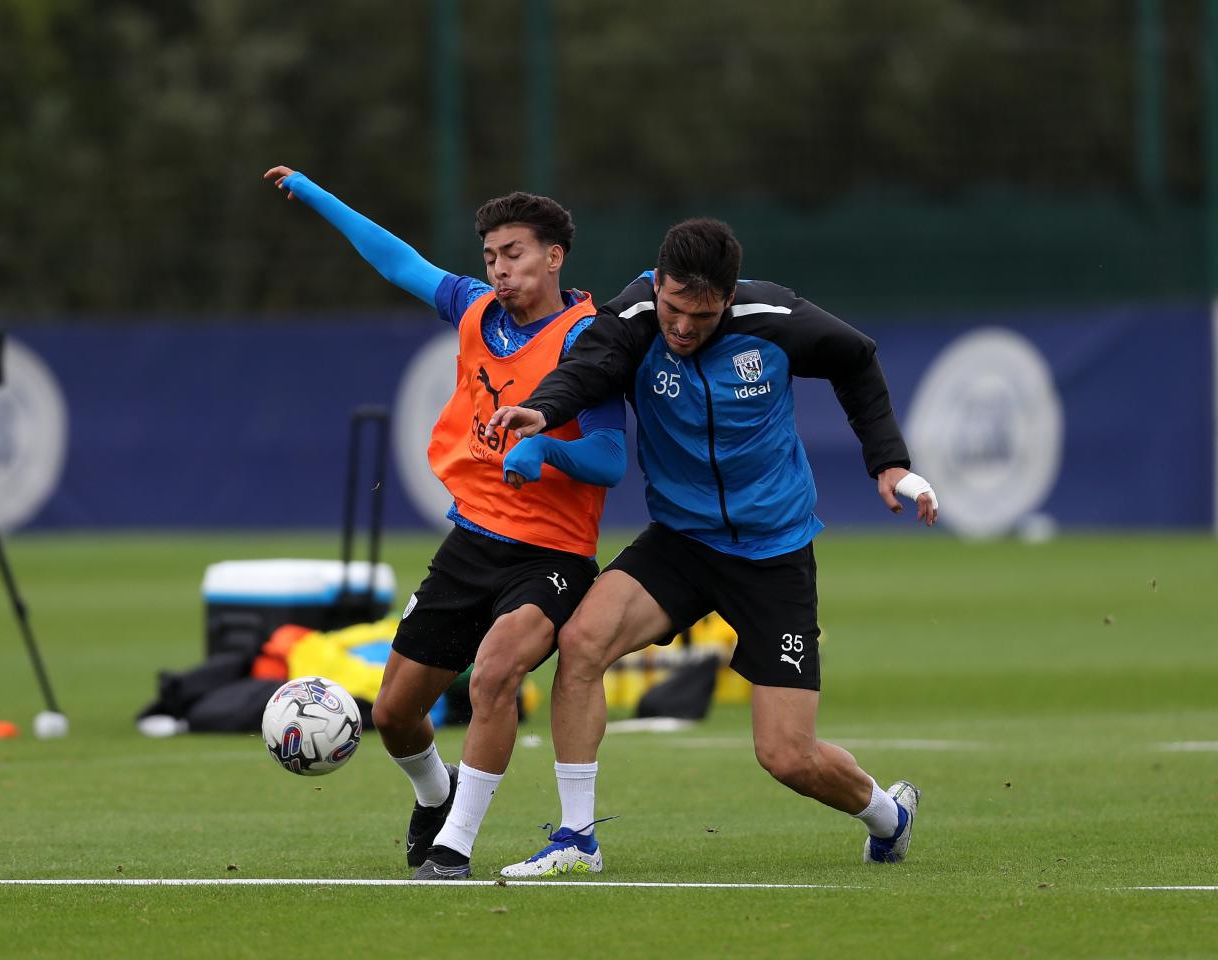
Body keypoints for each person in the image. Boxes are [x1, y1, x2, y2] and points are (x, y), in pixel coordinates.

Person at [489, 218, 938, 878]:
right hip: (681, 541)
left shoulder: (775, 318)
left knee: (787, 756)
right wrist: (541, 409)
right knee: (581, 642)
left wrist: (889, 464)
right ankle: (576, 840)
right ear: (659, 283)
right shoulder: (635, 317)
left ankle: (886, 815)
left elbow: (856, 359)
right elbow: (587, 370)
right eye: (672, 308)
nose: (681, 328)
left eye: (699, 316)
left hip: (773, 552)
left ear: (727, 298)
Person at [265, 166, 626, 880]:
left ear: (555, 256)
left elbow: (611, 458)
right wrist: (316, 194)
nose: (498, 269)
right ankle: (439, 793)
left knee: (494, 675)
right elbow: (397, 259)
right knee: (395, 715)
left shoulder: (593, 340)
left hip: (550, 555)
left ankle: (452, 848)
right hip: (470, 544)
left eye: (514, 253)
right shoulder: (472, 309)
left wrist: (546, 448)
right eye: (490, 256)